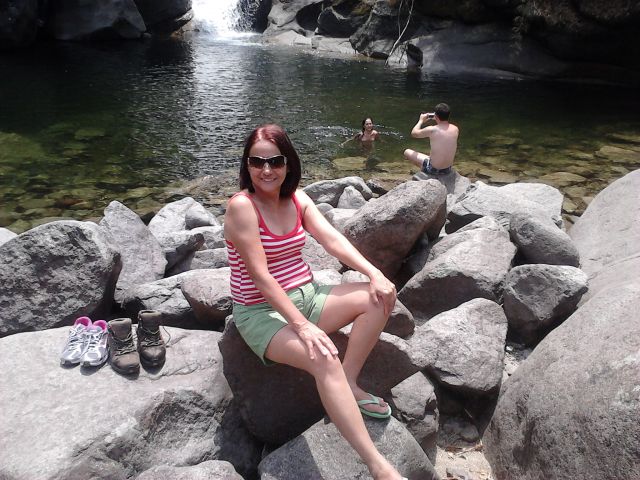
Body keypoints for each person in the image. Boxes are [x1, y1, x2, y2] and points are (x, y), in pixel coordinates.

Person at [224, 124, 406, 480]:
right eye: (257, 162)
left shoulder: (297, 199)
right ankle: (378, 465)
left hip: (307, 296)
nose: (266, 170)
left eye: (275, 161)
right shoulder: (242, 208)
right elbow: (261, 277)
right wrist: (302, 326)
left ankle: (349, 383)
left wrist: (374, 273)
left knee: (380, 297)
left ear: (288, 163)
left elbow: (332, 240)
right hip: (261, 312)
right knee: (324, 358)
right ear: (246, 165)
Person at [404, 103, 458, 175]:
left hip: (433, 170)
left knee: (407, 152)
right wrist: (436, 117)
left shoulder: (432, 130)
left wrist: (421, 121)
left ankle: (425, 172)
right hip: (447, 170)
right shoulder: (455, 129)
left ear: (435, 116)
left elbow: (414, 133)